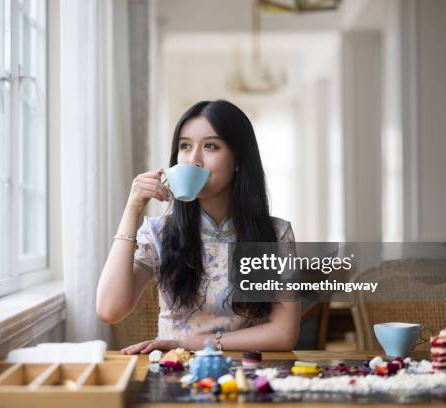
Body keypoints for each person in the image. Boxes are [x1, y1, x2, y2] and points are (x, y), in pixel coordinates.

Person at [96, 100, 299, 354]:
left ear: (238, 160)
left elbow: (284, 334)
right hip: (175, 372)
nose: (194, 160)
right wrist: (132, 209)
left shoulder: (276, 234)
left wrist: (190, 343)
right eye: (185, 146)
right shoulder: (158, 233)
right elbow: (109, 309)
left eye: (211, 146)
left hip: (249, 375)